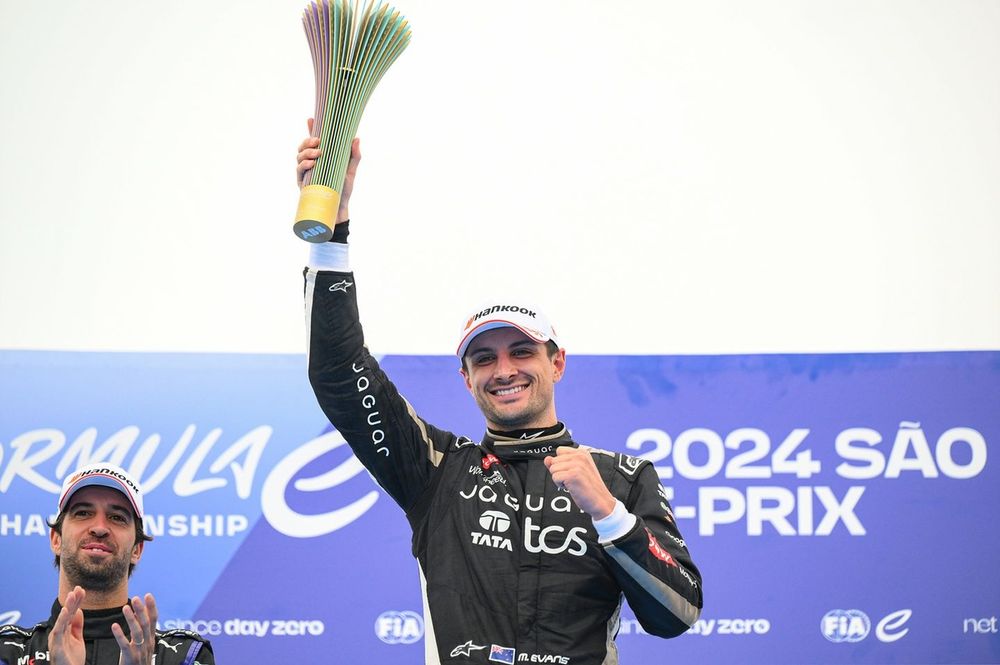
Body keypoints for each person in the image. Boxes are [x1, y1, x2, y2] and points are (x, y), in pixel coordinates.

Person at [297, 130, 702, 664]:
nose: (503, 370)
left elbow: (676, 614)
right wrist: (333, 230)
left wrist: (606, 512)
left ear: (556, 362)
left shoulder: (623, 478)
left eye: (521, 352)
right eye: (483, 359)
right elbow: (339, 375)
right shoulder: (436, 470)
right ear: (467, 378)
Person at [0, 463, 215, 665]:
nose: (100, 527)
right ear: (56, 539)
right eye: (83, 513)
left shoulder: (184, 656)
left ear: (136, 550)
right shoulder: (8, 651)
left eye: (117, 517)